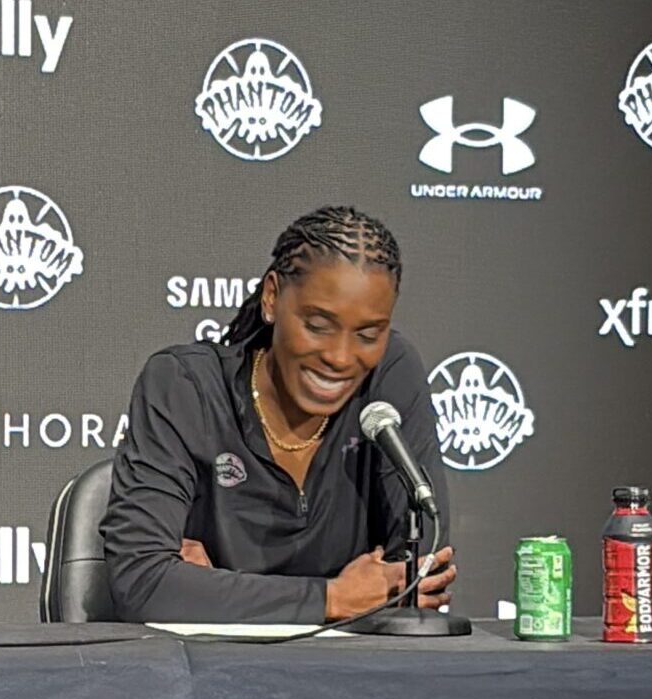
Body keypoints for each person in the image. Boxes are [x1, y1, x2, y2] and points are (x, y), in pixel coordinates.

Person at [101, 205, 457, 624]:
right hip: (205, 677)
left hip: (350, 677)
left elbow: (417, 579)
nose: (340, 358)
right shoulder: (184, 385)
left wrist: (216, 591)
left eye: (368, 334)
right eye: (318, 325)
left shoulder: (390, 374)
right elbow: (143, 584)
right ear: (272, 297)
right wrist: (333, 599)